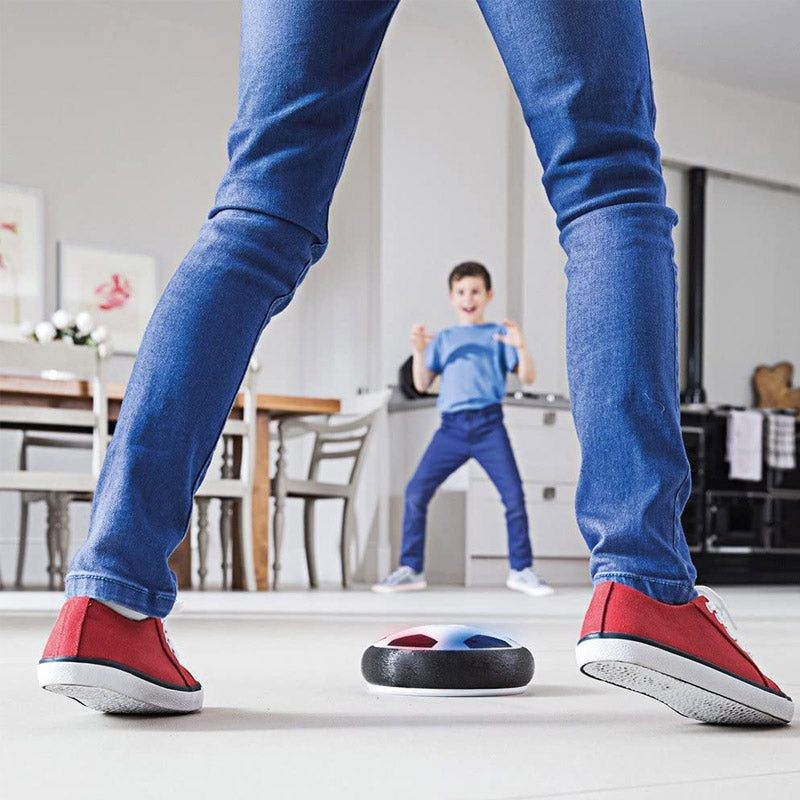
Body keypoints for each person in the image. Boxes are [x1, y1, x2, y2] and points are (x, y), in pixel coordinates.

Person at [37, 0, 793, 724]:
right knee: (607, 178)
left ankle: (109, 602)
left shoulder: (489, 332)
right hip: (459, 417)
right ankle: (644, 585)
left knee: (260, 207)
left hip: (481, 417)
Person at [372, 261, 552, 597]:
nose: (468, 298)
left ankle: (521, 569)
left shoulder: (498, 334)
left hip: (489, 426)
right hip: (451, 429)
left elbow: (527, 377)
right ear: (451, 297)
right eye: (461, 292)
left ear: (488, 295)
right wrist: (418, 351)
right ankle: (410, 568)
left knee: (513, 495)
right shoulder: (445, 339)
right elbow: (422, 384)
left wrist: (521, 346)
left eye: (475, 291)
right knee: (416, 491)